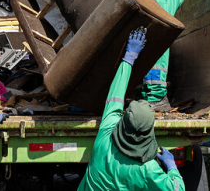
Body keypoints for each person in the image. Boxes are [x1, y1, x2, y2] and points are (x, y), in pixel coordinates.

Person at [77, 27, 185, 191]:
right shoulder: (148, 169)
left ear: (124, 120)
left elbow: (116, 96)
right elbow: (177, 189)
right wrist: (172, 168)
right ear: (149, 130)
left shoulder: (105, 139)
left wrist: (129, 58)